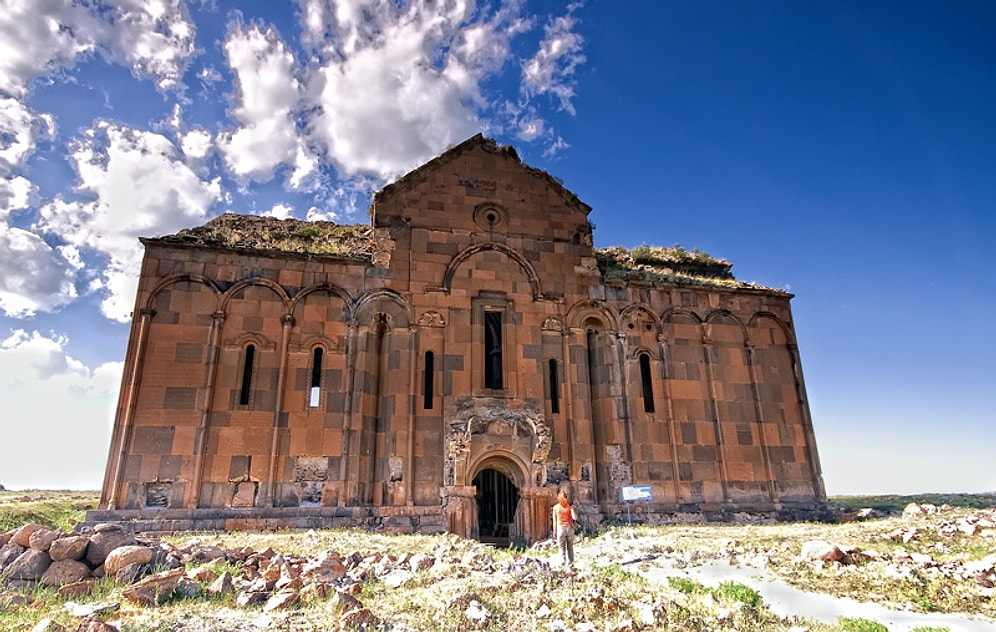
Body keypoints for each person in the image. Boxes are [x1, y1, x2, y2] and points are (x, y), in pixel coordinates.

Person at [552, 489, 577, 570]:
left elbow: (555, 521)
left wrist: (554, 532)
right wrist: (573, 509)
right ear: (566, 498)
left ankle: (563, 562)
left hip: (561, 528)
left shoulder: (555, 507)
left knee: (561, 546)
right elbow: (575, 518)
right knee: (570, 547)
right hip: (569, 528)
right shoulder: (569, 507)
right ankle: (571, 564)